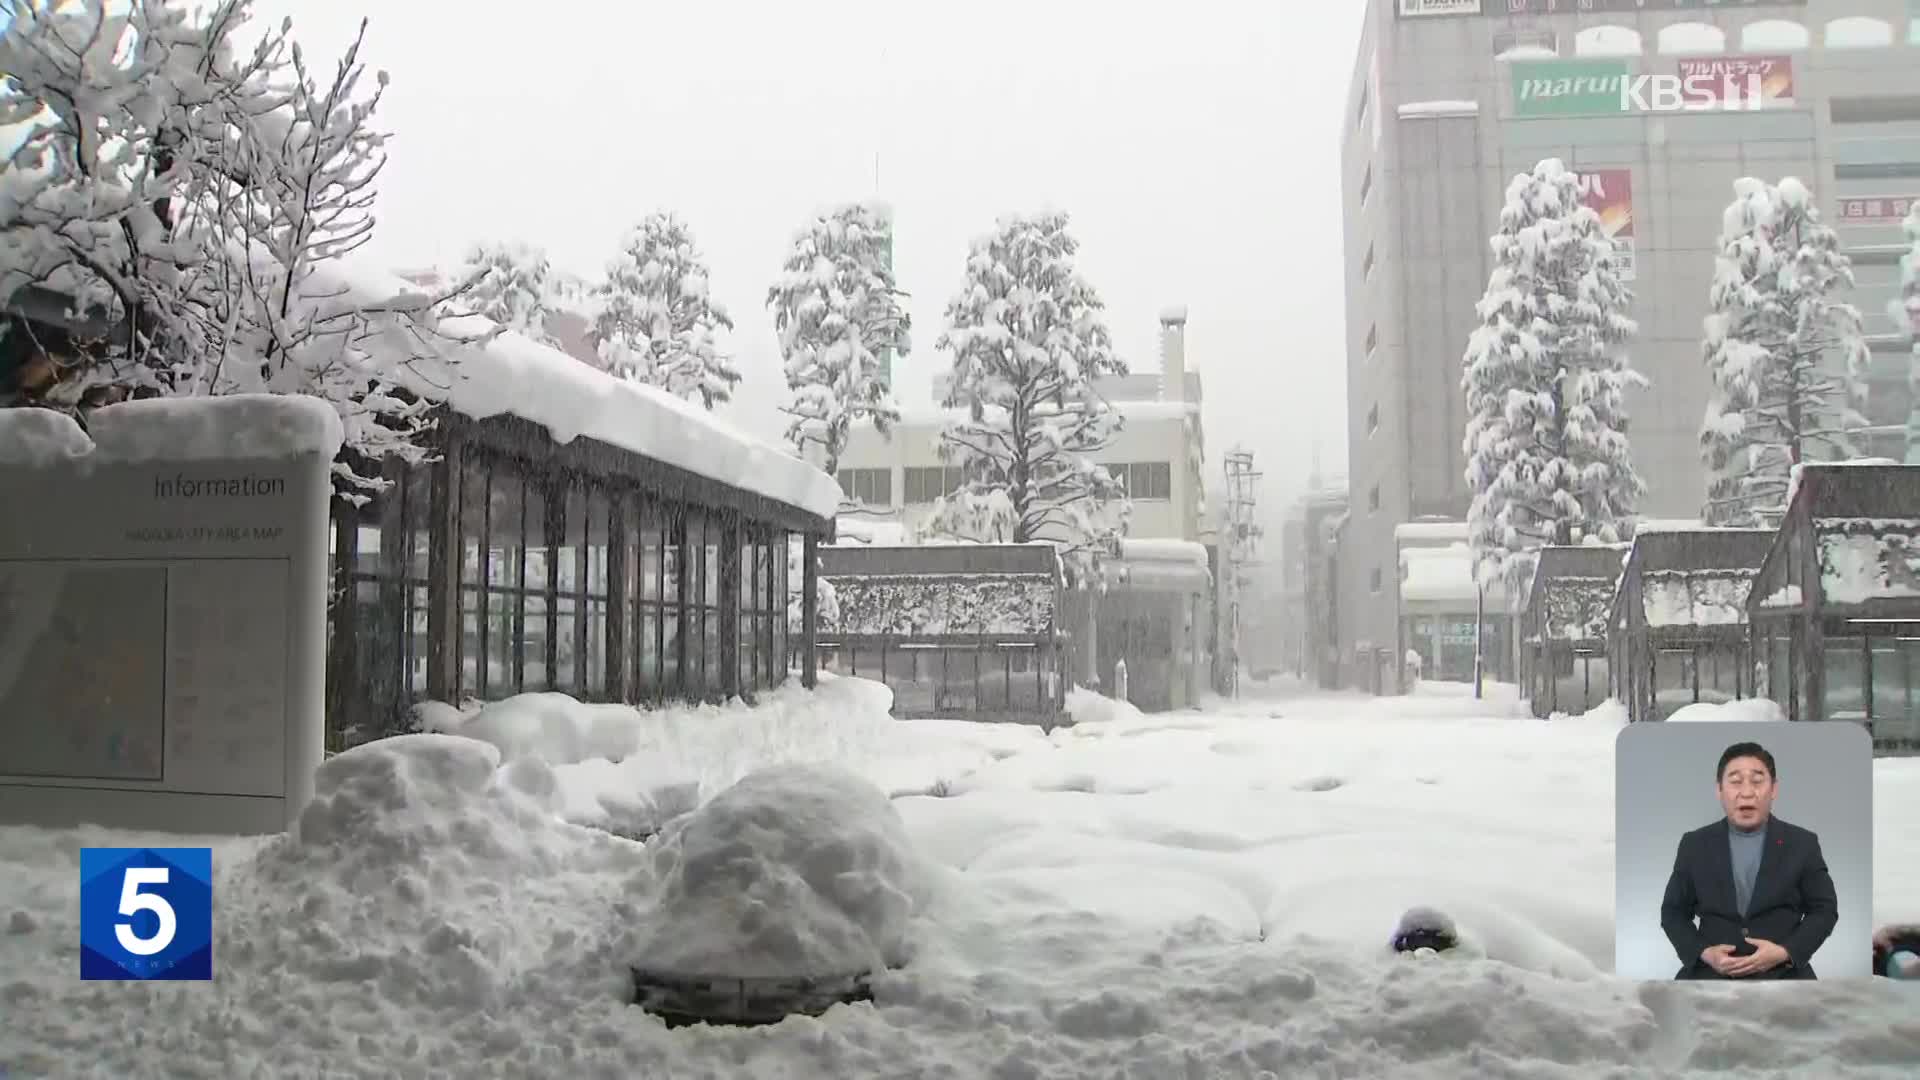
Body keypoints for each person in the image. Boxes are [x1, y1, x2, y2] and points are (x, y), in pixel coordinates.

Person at [1658, 741, 1837, 980]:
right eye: (1735, 781)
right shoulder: (1695, 844)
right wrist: (1704, 952)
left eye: (1757, 781)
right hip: (1708, 976)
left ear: (1773, 789)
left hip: (1785, 975)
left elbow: (1824, 911)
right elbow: (1673, 912)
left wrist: (1785, 952)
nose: (1746, 792)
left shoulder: (1802, 843)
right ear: (1719, 790)